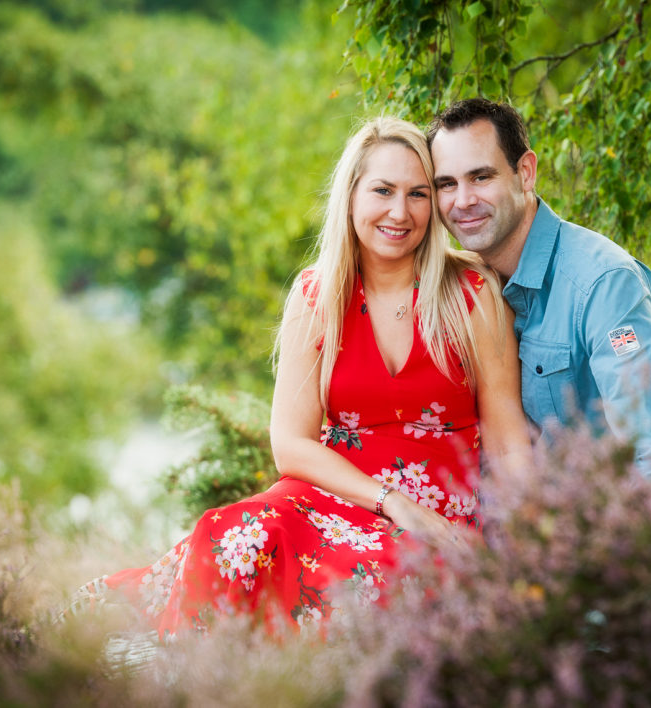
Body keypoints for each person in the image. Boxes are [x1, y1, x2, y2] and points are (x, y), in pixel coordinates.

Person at [68, 117, 532, 639]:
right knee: (233, 537)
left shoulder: (471, 293)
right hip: (330, 499)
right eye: (382, 190)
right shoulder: (318, 296)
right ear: (351, 196)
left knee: (368, 589)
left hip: (438, 518)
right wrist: (391, 501)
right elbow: (290, 443)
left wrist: (518, 541)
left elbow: (507, 436)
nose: (399, 212)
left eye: (419, 194)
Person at [428, 98, 651, 474]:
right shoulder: (448, 292)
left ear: (525, 172)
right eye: (447, 184)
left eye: (481, 177)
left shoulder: (603, 285)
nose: (463, 200)